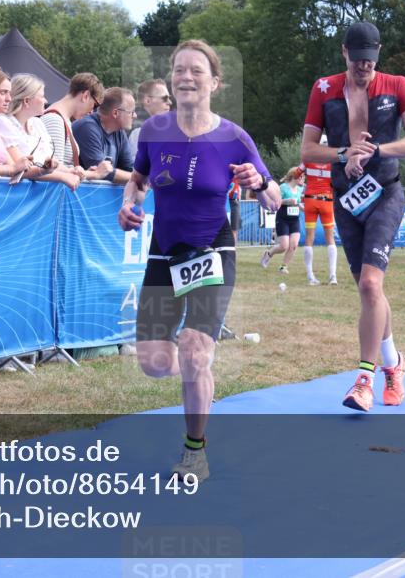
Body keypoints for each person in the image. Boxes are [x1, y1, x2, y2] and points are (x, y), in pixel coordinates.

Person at [118, 40, 281, 482]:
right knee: (153, 363)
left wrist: (260, 180)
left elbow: (274, 198)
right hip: (163, 252)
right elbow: (137, 183)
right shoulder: (153, 131)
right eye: (179, 70)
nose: (186, 77)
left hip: (213, 250)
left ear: (214, 82)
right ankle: (196, 366)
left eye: (196, 70)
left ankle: (195, 452)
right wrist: (128, 204)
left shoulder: (233, 137)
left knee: (192, 348)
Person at [300, 21, 405, 413]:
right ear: (344, 53)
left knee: (372, 285)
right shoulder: (323, 89)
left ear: (379, 55)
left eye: (370, 62)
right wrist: (343, 154)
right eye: (357, 61)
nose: (363, 69)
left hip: (386, 193)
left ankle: (364, 380)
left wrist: (376, 152)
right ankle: (395, 364)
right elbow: (307, 151)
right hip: (346, 199)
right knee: (367, 291)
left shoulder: (397, 85)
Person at [0, 73, 83, 189]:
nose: (46, 100)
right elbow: (20, 169)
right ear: (27, 101)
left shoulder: (37, 123)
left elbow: (50, 163)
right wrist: (62, 177)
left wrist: (70, 171)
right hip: (14, 195)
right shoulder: (3, 122)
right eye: (42, 96)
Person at [73, 86, 136, 184]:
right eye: (131, 112)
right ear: (115, 113)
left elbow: (130, 168)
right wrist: (142, 178)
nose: (135, 116)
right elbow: (103, 173)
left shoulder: (119, 132)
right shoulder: (86, 127)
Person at [41, 72, 104, 167]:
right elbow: (53, 170)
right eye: (95, 105)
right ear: (85, 96)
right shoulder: (55, 120)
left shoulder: (61, 119)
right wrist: (93, 175)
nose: (92, 112)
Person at [301, 134, 339, 285]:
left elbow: (296, 173)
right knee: (330, 238)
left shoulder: (308, 160)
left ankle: (310, 276)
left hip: (310, 200)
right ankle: (333, 276)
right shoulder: (333, 163)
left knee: (309, 238)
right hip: (327, 201)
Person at [260, 167, 304, 274]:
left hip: (295, 220)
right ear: (295, 176)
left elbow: (297, 203)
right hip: (283, 219)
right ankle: (269, 254)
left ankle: (283, 267)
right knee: (284, 246)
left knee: (293, 245)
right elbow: (276, 201)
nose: (303, 179)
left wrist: (302, 207)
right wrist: (287, 201)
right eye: (302, 177)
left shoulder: (300, 189)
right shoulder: (283, 187)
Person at [129, 78, 172, 148]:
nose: (170, 102)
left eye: (169, 98)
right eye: (164, 98)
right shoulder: (138, 132)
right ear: (148, 101)